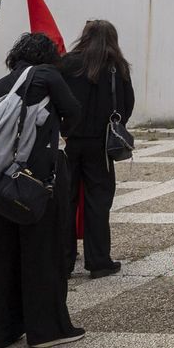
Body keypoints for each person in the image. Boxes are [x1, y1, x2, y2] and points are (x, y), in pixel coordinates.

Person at [0, 32, 83, 348]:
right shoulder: (47, 75)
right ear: (48, 56)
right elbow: (73, 113)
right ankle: (47, 329)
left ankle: (0, 331)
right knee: (43, 251)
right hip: (38, 177)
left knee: (0, 255)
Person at [59, 19, 135, 278]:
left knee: (65, 202)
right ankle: (99, 260)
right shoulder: (116, 67)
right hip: (101, 144)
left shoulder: (67, 63)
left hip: (69, 141)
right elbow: (127, 105)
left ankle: (64, 260)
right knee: (98, 203)